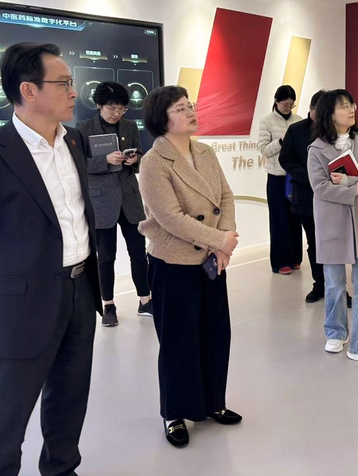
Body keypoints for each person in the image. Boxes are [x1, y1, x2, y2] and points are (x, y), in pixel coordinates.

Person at [0, 42, 102, 475]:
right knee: (10, 412)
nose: (74, 91)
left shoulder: (74, 141)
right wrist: (6, 287)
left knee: (70, 398)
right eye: (64, 83)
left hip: (80, 290)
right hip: (21, 305)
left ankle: (61, 468)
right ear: (28, 90)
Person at [138, 85, 242, 449]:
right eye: (181, 109)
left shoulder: (205, 152)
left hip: (211, 260)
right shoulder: (154, 162)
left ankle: (213, 402)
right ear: (162, 118)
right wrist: (220, 240)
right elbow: (171, 218)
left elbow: (225, 196)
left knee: (216, 334)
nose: (191, 112)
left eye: (190, 106)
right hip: (174, 262)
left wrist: (224, 240)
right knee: (179, 341)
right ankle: (175, 412)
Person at [307, 89, 358, 367]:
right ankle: (335, 332)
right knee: (334, 283)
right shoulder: (316, 149)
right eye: (344, 106)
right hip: (332, 221)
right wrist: (355, 187)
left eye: (351, 104)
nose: (352, 109)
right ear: (330, 114)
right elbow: (320, 187)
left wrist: (346, 182)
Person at [77, 82, 150, 326]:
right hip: (101, 201)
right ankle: (108, 305)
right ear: (99, 105)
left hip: (129, 199)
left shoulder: (130, 126)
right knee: (106, 258)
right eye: (111, 108)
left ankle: (145, 300)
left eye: (121, 108)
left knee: (138, 253)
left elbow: (141, 156)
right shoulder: (84, 128)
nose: (116, 113)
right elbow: (79, 164)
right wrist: (105, 160)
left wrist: (134, 160)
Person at [279, 89, 327, 302]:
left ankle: (336, 287)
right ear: (312, 109)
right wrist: (307, 176)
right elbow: (285, 159)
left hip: (332, 196)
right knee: (314, 243)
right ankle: (319, 285)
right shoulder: (296, 130)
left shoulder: (333, 130)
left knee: (333, 243)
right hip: (306, 195)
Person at [257, 85, 303, 274]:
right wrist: (282, 141)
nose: (288, 108)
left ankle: (295, 258)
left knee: (295, 219)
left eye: (291, 105)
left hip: (295, 177)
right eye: (285, 104)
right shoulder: (267, 121)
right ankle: (280, 262)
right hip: (276, 178)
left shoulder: (299, 121)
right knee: (279, 220)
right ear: (276, 101)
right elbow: (263, 150)